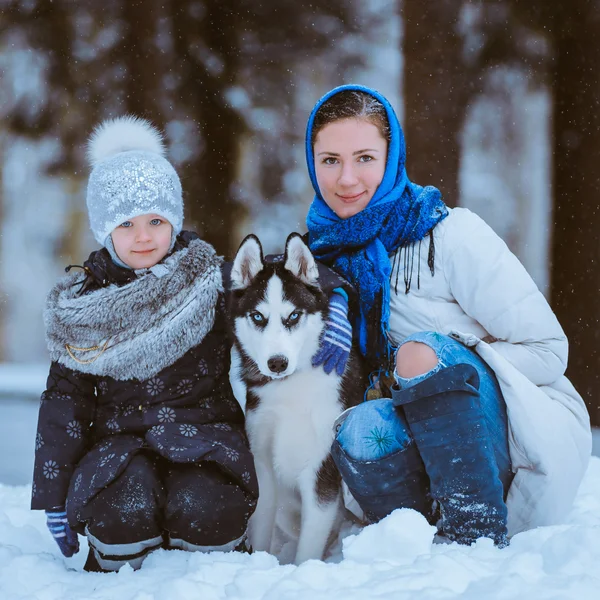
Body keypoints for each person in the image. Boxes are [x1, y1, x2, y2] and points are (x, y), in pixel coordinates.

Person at [304, 84, 591, 546]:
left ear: (391, 156)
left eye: (365, 158)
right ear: (312, 162)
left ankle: (473, 536)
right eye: (330, 160)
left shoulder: (449, 234)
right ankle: (415, 541)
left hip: (511, 437)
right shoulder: (318, 261)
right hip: (410, 441)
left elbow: (549, 350)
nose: (347, 179)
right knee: (359, 430)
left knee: (420, 353)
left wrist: (441, 365)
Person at [32, 116, 258, 571]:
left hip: (206, 437)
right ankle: (121, 558)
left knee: (207, 510)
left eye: (156, 220)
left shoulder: (210, 279)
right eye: (126, 224)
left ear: (174, 221)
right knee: (122, 511)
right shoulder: (84, 309)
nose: (143, 236)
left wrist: (329, 303)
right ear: (105, 230)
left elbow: (281, 283)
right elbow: (65, 401)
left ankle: (212, 565)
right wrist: (52, 495)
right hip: (118, 448)